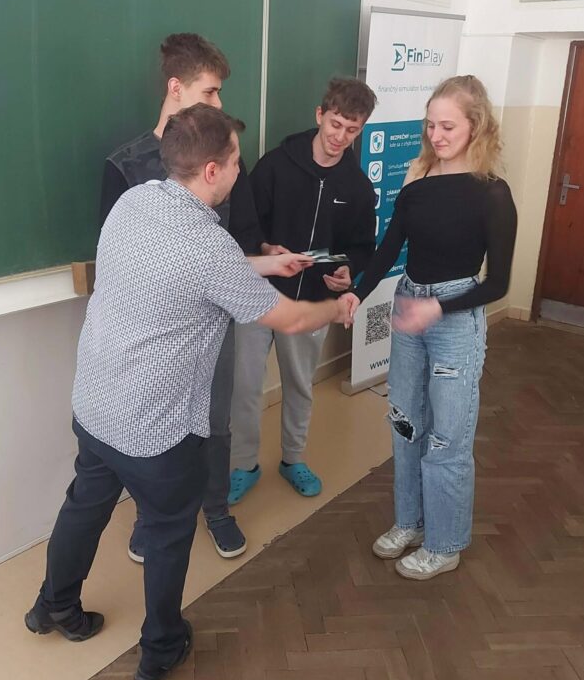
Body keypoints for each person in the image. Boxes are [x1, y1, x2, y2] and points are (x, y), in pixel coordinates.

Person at [26, 104, 356, 680]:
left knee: (85, 504)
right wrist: (337, 307)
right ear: (210, 170)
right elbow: (290, 320)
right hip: (156, 427)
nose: (238, 171)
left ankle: (53, 605)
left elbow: (196, 268)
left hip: (97, 402)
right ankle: (161, 648)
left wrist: (266, 262)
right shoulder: (208, 245)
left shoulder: (136, 201)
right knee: (168, 532)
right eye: (234, 162)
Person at [99, 33, 289, 562]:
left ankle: (216, 508)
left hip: (212, 324)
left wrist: (266, 254)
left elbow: (242, 236)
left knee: (214, 420)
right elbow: (111, 256)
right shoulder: (125, 166)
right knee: (150, 430)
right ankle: (150, 516)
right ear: (176, 88)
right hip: (149, 333)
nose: (219, 103)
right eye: (210, 91)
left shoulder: (224, 157)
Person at [346, 75, 517, 581]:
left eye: (447, 126)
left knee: (448, 438)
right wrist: (357, 292)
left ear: (475, 127)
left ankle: (445, 545)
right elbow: (389, 246)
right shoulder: (418, 181)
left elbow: (498, 283)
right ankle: (410, 522)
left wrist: (438, 309)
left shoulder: (493, 194)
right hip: (409, 307)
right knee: (405, 423)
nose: (436, 135)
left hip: (454, 320)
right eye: (430, 125)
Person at [229, 77, 378, 504]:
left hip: (312, 302)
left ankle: (293, 459)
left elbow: (361, 248)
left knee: (299, 385)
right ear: (320, 115)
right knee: (245, 386)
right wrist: (263, 248)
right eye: (335, 124)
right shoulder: (276, 165)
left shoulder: (357, 186)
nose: (340, 137)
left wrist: (348, 271)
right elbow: (245, 222)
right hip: (258, 296)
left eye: (352, 130)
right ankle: (243, 464)